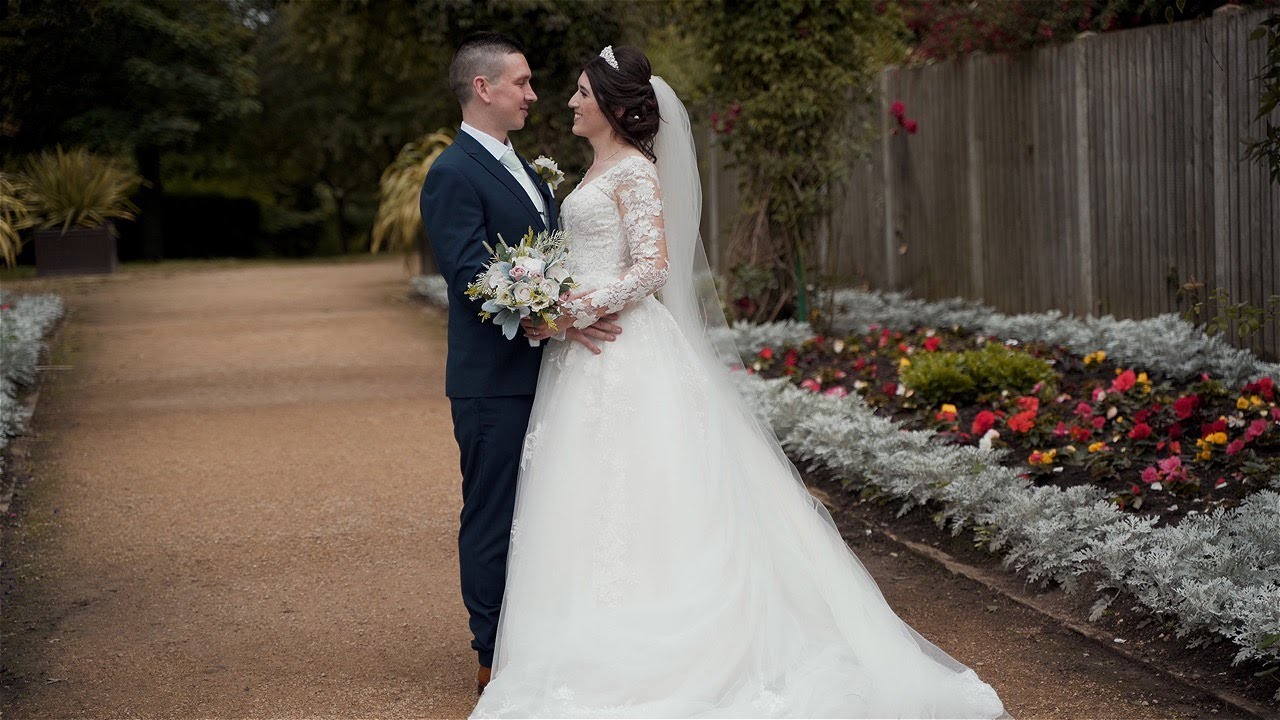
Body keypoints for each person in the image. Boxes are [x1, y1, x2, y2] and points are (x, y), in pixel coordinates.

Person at [472, 45, 1009, 718]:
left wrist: (571, 308)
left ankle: (654, 639)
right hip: (583, 358)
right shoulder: (595, 170)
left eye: (582, 92)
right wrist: (549, 310)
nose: (571, 102)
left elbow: (652, 270)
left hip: (626, 351)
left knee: (644, 491)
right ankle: (580, 634)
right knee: (589, 493)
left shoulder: (634, 173)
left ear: (611, 104)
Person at [420, 32, 621, 695]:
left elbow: (541, 254)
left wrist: (568, 305)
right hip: (492, 382)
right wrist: (546, 316)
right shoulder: (452, 172)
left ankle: (539, 634)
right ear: (484, 89)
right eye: (523, 83)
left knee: (544, 509)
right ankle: (491, 654)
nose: (535, 95)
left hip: (548, 372)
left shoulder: (523, 166)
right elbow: (470, 271)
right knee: (493, 511)